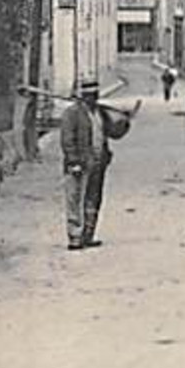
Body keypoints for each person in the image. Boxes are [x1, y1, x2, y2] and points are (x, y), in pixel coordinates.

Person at [59, 74, 132, 251]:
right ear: (83, 95)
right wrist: (73, 161)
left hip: (98, 163)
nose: (94, 98)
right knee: (75, 199)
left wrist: (124, 121)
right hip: (79, 165)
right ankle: (75, 237)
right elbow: (67, 140)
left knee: (93, 199)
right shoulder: (72, 114)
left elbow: (114, 133)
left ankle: (88, 235)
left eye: (96, 94)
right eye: (90, 95)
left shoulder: (100, 113)